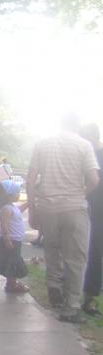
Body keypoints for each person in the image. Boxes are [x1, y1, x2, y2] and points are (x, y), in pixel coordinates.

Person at [26, 114, 99, 323]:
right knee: (76, 258)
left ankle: (54, 288)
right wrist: (80, 193)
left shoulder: (43, 144)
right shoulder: (84, 145)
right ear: (77, 125)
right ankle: (71, 306)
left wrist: (32, 209)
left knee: (52, 249)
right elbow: (94, 179)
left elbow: (31, 178)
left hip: (48, 207)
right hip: (74, 207)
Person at [0, 179, 30, 294]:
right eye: (17, 192)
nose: (19, 194)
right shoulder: (6, 209)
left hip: (15, 240)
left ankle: (11, 283)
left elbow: (20, 209)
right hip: (11, 240)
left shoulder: (12, 207)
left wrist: (29, 202)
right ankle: (12, 285)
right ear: (9, 195)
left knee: (12, 262)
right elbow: (4, 226)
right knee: (12, 263)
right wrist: (7, 240)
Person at [81, 123, 103, 315]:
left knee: (95, 252)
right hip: (80, 206)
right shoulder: (81, 154)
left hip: (98, 209)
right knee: (75, 250)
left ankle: (90, 296)